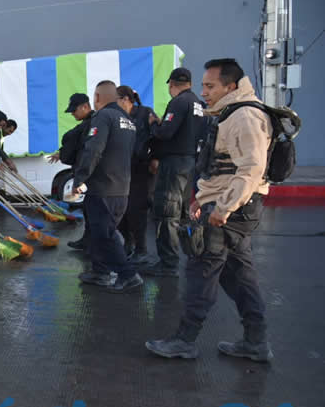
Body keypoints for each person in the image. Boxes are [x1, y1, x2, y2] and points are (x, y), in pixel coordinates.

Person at [146, 59, 273, 361]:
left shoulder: (244, 116)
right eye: (203, 85)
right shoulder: (231, 112)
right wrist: (201, 199)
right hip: (231, 205)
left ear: (231, 86)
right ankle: (255, 341)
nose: (203, 91)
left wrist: (223, 207)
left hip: (231, 209)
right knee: (239, 276)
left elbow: (251, 168)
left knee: (201, 271)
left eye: (210, 86)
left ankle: (185, 340)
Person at [71, 81, 143, 293]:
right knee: (98, 232)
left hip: (103, 188)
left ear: (97, 97)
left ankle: (128, 275)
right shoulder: (128, 121)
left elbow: (93, 150)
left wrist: (80, 178)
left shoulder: (103, 117)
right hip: (121, 187)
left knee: (105, 234)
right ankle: (100, 272)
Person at [142, 67, 206, 277]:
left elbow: (165, 132)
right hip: (190, 162)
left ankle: (168, 264)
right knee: (183, 213)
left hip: (174, 164)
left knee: (167, 212)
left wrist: (154, 125)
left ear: (171, 84)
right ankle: (194, 255)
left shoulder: (179, 102)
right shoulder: (198, 104)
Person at [115, 86, 156, 266]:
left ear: (125, 99)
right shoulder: (117, 116)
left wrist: (155, 158)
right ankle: (128, 242)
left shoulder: (145, 113)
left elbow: (157, 136)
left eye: (116, 99)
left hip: (142, 169)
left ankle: (142, 249)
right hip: (122, 169)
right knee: (121, 210)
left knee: (136, 210)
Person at [52, 93, 94, 251]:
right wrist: (62, 152)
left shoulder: (94, 124)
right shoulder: (86, 124)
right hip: (86, 173)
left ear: (85, 106)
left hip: (93, 174)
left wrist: (80, 179)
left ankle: (101, 248)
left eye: (74, 110)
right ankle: (88, 240)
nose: (72, 114)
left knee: (97, 213)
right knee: (88, 209)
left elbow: (89, 151)